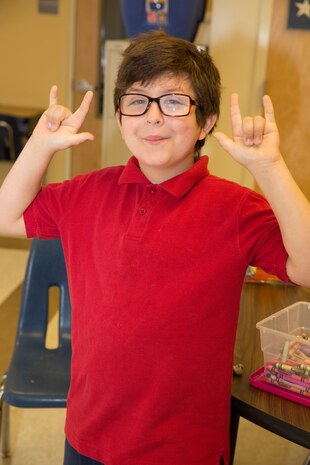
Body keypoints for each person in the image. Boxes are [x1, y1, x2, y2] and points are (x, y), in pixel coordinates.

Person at [0, 31, 310, 465]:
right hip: (89, 433)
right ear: (121, 116)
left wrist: (271, 169)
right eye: (138, 101)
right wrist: (38, 145)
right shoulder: (85, 193)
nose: (153, 118)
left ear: (206, 121)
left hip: (185, 445)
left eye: (173, 102)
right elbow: (7, 217)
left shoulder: (237, 208)